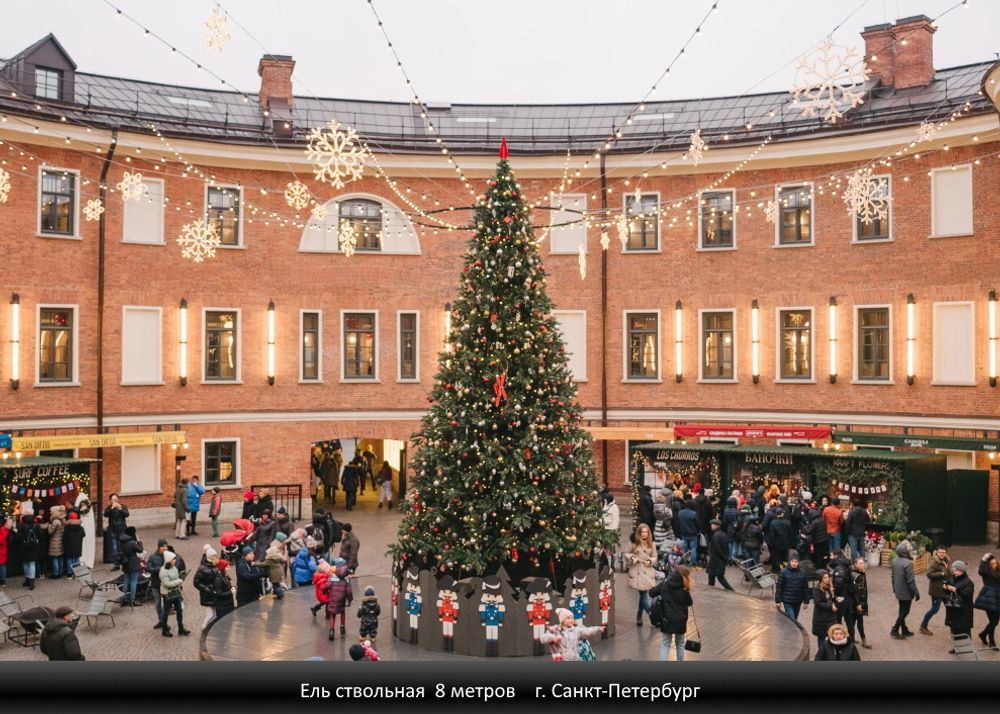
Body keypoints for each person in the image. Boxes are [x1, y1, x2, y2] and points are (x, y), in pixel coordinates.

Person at [650, 565, 693, 661]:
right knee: (681, 643)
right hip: (681, 620)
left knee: (666, 643)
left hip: (666, 619)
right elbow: (690, 602)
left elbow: (651, 593)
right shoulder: (684, 588)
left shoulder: (665, 583)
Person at [538, 607, 604, 661]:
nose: (571, 620)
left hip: (575, 658)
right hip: (562, 659)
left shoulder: (576, 630)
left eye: (572, 618)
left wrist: (597, 628)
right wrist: (553, 637)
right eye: (568, 618)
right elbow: (542, 638)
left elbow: (587, 631)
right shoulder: (557, 630)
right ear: (563, 620)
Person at [625, 523, 657, 626]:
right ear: (639, 533)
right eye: (642, 532)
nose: (644, 534)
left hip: (647, 572)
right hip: (637, 571)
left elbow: (655, 557)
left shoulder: (652, 543)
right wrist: (632, 557)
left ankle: (639, 615)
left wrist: (650, 561)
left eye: (646, 532)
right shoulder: (633, 543)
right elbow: (626, 553)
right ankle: (652, 615)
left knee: (643, 594)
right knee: (643, 594)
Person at [890, 542, 920, 639]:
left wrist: (894, 588)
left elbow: (892, 576)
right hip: (906, 592)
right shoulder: (908, 563)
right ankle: (895, 629)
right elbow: (911, 581)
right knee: (905, 611)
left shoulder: (895, 561)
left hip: (898, 590)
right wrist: (916, 592)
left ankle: (904, 629)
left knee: (901, 610)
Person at [158, 550, 190, 637]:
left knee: (179, 610)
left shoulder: (174, 568)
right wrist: (179, 580)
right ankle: (164, 629)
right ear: (168, 560)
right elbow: (167, 584)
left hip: (176, 592)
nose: (175, 560)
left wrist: (181, 578)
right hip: (168, 594)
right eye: (173, 559)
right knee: (166, 612)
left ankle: (181, 628)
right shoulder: (163, 571)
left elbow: (176, 579)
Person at [920, 546, 950, 635]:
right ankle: (923, 626)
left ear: (946, 553)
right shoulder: (934, 562)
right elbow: (929, 574)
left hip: (945, 589)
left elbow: (947, 572)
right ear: (937, 552)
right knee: (934, 609)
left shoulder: (946, 560)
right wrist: (941, 573)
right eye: (940, 552)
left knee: (950, 607)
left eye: (943, 552)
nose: (942, 554)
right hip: (936, 590)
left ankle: (952, 626)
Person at [943, 560, 975, 645]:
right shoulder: (953, 578)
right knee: (954, 629)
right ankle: (956, 647)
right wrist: (945, 588)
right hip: (953, 609)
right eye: (954, 569)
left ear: (962, 571)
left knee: (964, 631)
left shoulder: (968, 582)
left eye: (956, 570)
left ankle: (966, 647)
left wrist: (956, 590)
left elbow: (968, 595)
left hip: (963, 611)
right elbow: (947, 594)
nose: (954, 571)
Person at [974, 552, 1000, 650]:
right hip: (988, 600)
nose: (994, 565)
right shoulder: (986, 572)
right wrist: (984, 559)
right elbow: (980, 569)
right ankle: (992, 642)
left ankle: (983, 634)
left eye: (995, 563)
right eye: (992, 564)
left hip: (998, 600)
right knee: (993, 621)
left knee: (995, 621)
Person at [775, 550, 810, 621]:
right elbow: (779, 587)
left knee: (795, 619)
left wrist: (806, 601)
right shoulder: (783, 572)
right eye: (792, 561)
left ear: (798, 562)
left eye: (796, 561)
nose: (794, 563)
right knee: (792, 619)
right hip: (787, 601)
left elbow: (805, 588)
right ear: (789, 561)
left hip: (798, 601)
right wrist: (778, 601)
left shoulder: (802, 572)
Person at [194, 545, 221, 629]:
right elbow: (196, 582)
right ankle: (204, 626)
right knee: (210, 614)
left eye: (216, 555)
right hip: (207, 594)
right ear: (209, 556)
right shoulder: (202, 568)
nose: (215, 557)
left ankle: (209, 627)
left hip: (214, 593)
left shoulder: (215, 566)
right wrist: (206, 589)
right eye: (213, 556)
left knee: (215, 614)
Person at [847, 557, 871, 648]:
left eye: (863, 563)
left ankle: (850, 638)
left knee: (853, 622)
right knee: (857, 622)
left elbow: (862, 590)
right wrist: (859, 604)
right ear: (855, 564)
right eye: (860, 563)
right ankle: (862, 640)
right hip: (855, 604)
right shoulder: (855, 575)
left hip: (859, 602)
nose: (863, 565)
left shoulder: (861, 573)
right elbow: (855, 592)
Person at [812, 570, 839, 651]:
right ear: (821, 579)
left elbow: (830, 599)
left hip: (830, 617)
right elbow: (818, 603)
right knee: (822, 637)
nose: (827, 579)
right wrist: (830, 606)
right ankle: (822, 654)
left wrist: (836, 599)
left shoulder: (828, 587)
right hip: (821, 617)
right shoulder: (817, 589)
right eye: (825, 577)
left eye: (828, 577)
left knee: (832, 635)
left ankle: (831, 653)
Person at [325, 563, 353, 640]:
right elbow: (349, 592)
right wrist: (350, 600)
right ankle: (342, 627)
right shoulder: (346, 581)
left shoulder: (333, 578)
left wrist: (324, 590)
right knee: (342, 612)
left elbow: (327, 585)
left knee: (332, 615)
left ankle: (331, 630)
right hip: (341, 601)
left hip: (333, 601)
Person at [148, 538, 170, 628]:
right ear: (159, 547)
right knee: (157, 603)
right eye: (164, 548)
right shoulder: (152, 557)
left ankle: (164, 621)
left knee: (166, 603)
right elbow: (149, 568)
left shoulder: (168, 557)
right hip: (156, 583)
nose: (165, 550)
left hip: (165, 584)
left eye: (166, 548)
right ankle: (160, 620)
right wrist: (160, 569)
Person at [103, 494, 129, 570]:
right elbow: (106, 515)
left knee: (122, 547)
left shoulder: (123, 506)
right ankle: (116, 564)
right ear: (111, 500)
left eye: (116, 499)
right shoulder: (109, 508)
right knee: (114, 549)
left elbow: (126, 514)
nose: (115, 501)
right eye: (113, 499)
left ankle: (124, 563)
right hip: (113, 530)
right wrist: (111, 508)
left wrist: (120, 508)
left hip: (122, 530)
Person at [119, 526, 144, 607]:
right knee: (133, 582)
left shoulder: (122, 541)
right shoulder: (132, 542)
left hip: (125, 563)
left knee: (126, 581)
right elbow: (140, 550)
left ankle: (124, 599)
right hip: (133, 563)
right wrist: (139, 541)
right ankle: (132, 600)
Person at [706, 519, 734, 591]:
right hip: (718, 560)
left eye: (712, 525)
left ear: (717, 526)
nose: (711, 526)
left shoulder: (716, 536)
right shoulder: (722, 534)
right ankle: (710, 590)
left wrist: (723, 558)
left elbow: (717, 549)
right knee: (712, 577)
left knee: (719, 577)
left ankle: (730, 590)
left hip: (716, 560)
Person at [765, 508, 793, 574]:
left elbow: (772, 535)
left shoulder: (773, 523)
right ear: (782, 514)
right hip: (786, 543)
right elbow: (790, 533)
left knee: (778, 558)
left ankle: (779, 570)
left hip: (777, 544)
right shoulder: (787, 522)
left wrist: (772, 543)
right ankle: (785, 569)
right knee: (785, 558)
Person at [263, 532, 289, 599]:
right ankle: (280, 596)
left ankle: (278, 597)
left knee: (277, 585)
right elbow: (284, 559)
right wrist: (286, 551)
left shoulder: (276, 546)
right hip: (276, 571)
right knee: (278, 585)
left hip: (278, 569)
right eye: (284, 540)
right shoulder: (276, 548)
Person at [46, 504, 67, 579]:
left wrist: (48, 526)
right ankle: (60, 572)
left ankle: (56, 574)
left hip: (55, 541)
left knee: (55, 558)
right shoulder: (62, 520)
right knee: (60, 557)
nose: (50, 513)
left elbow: (51, 532)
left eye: (51, 512)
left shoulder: (55, 521)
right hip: (61, 540)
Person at [652, 491, 674, 558]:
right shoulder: (666, 509)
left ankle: (659, 554)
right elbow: (671, 516)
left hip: (658, 524)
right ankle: (665, 555)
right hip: (665, 525)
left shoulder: (654, 509)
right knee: (666, 541)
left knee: (659, 539)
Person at [0, 513, 10, 586]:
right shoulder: (3, 529)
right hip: (2, 550)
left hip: (1, 550)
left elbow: (0, 540)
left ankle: (2, 581)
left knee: (2, 565)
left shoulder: (3, 530)